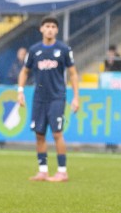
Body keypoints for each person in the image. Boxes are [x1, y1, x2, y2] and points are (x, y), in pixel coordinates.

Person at [16, 17, 80, 182]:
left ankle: (62, 171)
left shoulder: (63, 50)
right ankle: (43, 170)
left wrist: (76, 97)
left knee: (57, 133)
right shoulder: (34, 50)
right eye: (47, 26)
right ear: (41, 29)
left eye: (53, 26)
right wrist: (20, 91)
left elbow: (73, 73)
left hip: (57, 97)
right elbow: (24, 71)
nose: (50, 29)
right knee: (39, 134)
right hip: (39, 98)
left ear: (57, 30)